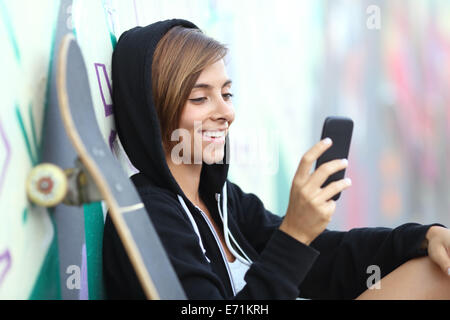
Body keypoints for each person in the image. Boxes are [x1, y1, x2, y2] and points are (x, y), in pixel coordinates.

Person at [102, 18, 450, 300]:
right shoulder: (146, 213)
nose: (226, 112)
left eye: (226, 93)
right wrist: (295, 233)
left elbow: (329, 258)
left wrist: (423, 236)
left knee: (439, 269)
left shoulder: (226, 202)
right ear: (153, 110)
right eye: (200, 98)